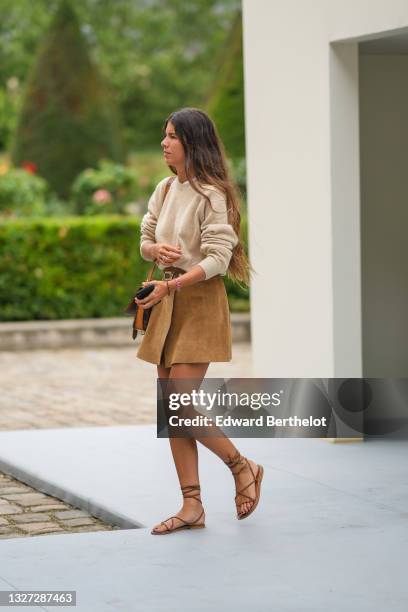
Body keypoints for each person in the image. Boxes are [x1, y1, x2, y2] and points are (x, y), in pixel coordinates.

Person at [135, 107, 264, 535]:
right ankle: (192, 506)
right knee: (170, 410)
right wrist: (156, 253)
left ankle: (241, 466)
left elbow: (218, 260)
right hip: (166, 301)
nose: (164, 142)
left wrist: (171, 285)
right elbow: (146, 236)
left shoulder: (214, 194)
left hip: (199, 301)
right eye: (164, 135)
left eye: (172, 136)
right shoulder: (166, 188)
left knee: (182, 404)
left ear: (192, 142)